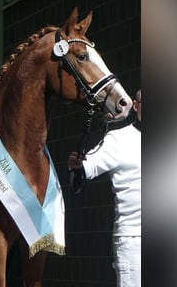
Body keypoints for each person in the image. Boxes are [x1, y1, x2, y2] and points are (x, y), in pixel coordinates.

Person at [68, 89, 141, 287]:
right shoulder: (119, 140)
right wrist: (77, 165)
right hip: (135, 239)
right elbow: (87, 165)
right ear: (136, 106)